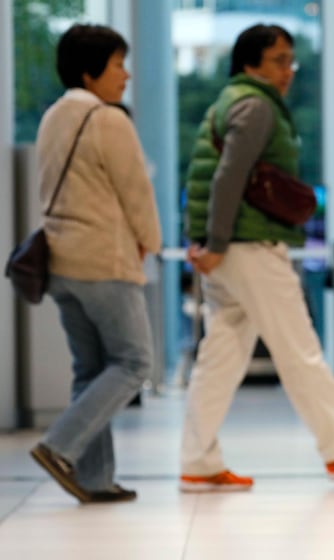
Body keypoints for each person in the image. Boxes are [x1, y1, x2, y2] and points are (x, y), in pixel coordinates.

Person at [180, 23, 334, 492]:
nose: (288, 71)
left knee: (219, 356)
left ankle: (197, 462)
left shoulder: (230, 100)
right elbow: (227, 178)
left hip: (229, 247)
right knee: (299, 346)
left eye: (290, 61)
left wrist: (204, 241)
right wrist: (215, 244)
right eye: (278, 60)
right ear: (249, 63)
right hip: (248, 245)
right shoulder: (255, 105)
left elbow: (211, 177)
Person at [28, 24, 162, 504]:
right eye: (118, 65)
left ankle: (94, 478)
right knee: (133, 362)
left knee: (91, 370)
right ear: (91, 71)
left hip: (62, 260)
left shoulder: (52, 117)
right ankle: (59, 445)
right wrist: (152, 241)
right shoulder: (108, 120)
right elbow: (136, 192)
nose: (125, 75)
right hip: (105, 259)